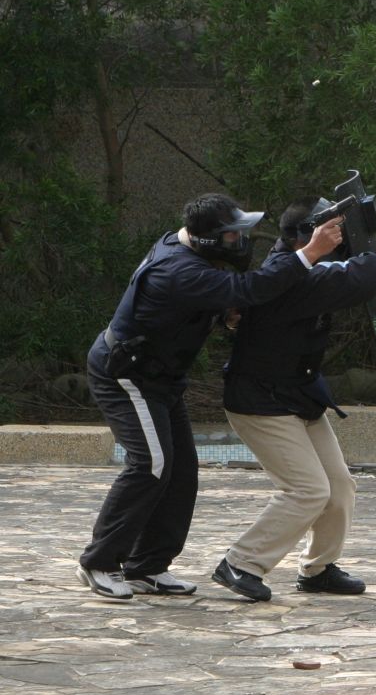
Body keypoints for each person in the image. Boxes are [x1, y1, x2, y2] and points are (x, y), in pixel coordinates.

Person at [77, 193, 344, 600]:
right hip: (126, 375)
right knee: (151, 464)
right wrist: (309, 252)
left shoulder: (185, 250)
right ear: (206, 239)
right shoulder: (178, 269)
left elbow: (203, 301)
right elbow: (249, 288)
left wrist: (224, 314)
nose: (239, 241)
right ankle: (98, 561)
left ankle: (147, 567)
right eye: (232, 235)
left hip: (163, 378)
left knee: (181, 472)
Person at [212, 198, 376, 602]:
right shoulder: (289, 274)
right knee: (307, 490)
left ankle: (318, 569)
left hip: (297, 395)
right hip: (260, 401)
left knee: (339, 486)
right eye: (333, 229)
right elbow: (354, 279)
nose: (339, 236)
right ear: (306, 235)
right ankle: (241, 562)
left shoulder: (300, 264)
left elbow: (344, 268)